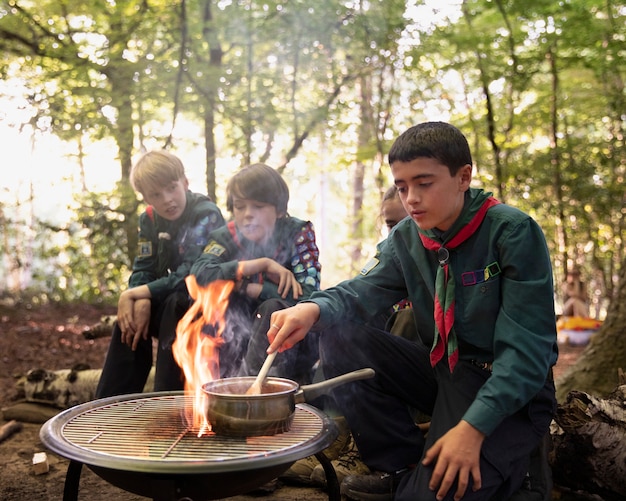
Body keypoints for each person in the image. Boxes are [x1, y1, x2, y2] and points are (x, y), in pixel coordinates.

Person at [267, 122, 558, 501]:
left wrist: (472, 428)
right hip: (447, 374)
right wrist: (310, 308)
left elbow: (525, 353)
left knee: (437, 493)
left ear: (463, 177)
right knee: (340, 334)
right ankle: (401, 467)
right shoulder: (407, 237)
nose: (411, 199)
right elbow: (359, 292)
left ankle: (521, 466)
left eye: (424, 183)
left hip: (507, 387)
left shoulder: (512, 233)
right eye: (402, 187)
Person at [95, 150, 225, 398]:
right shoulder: (150, 220)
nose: (167, 199)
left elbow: (192, 274)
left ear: (185, 184)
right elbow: (144, 266)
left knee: (176, 304)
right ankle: (110, 403)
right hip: (170, 301)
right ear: (146, 198)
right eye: (156, 194)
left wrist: (140, 292)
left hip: (210, 308)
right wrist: (141, 299)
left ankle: (167, 399)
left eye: (172, 188)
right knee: (129, 317)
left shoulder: (205, 214)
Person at [189, 162, 322, 384]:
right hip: (235, 336)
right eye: (240, 207)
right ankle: (202, 390)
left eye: (258, 206)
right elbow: (199, 274)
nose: (247, 215)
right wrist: (259, 265)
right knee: (205, 304)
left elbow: (308, 296)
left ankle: (253, 393)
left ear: (279, 210)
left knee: (272, 309)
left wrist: (251, 288)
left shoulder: (298, 233)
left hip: (291, 342)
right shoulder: (226, 236)